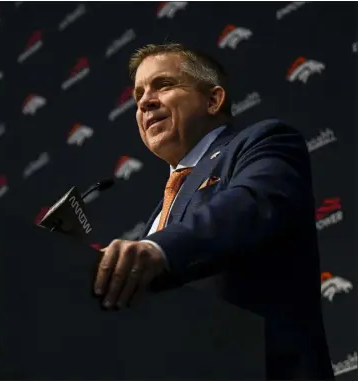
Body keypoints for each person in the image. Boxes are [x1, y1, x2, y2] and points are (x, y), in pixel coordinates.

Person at [93, 43, 334, 380]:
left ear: (213, 100)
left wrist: (156, 250)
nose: (145, 101)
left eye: (163, 85)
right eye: (138, 96)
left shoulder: (262, 142)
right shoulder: (161, 209)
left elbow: (251, 203)